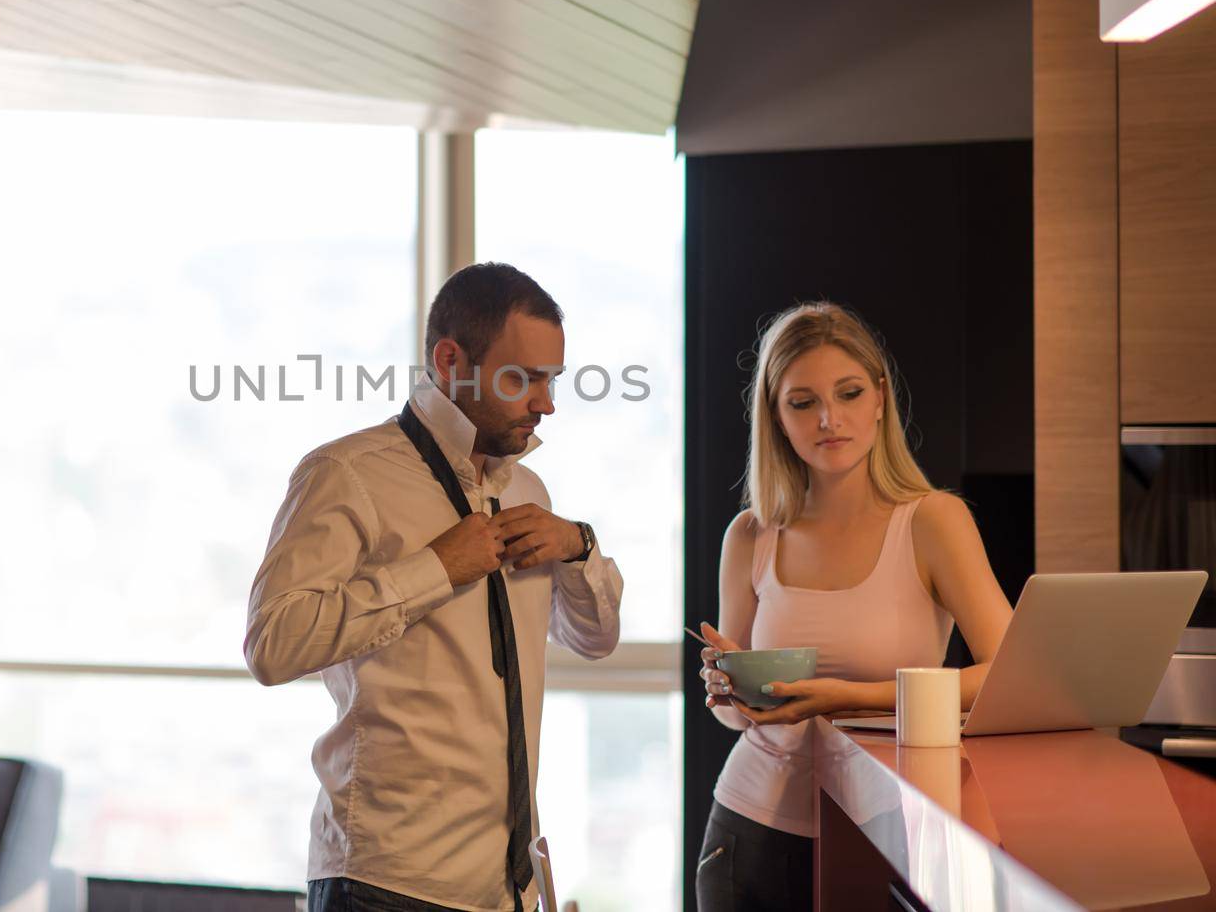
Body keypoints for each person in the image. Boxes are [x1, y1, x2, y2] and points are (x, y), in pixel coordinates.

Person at [245, 262, 623, 912]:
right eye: (523, 378)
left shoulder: (527, 492)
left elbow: (596, 639)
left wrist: (577, 548)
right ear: (451, 361)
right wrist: (435, 570)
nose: (547, 403)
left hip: (505, 887)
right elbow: (272, 645)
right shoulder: (344, 474)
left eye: (552, 380)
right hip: (385, 881)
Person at [694, 302, 1013, 912]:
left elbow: (1005, 674)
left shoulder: (933, 522)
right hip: (748, 829)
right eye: (803, 402)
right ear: (776, 416)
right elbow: (739, 720)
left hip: (890, 824)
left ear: (880, 398)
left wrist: (849, 697)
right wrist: (730, 691)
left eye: (848, 393)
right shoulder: (750, 535)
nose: (829, 419)